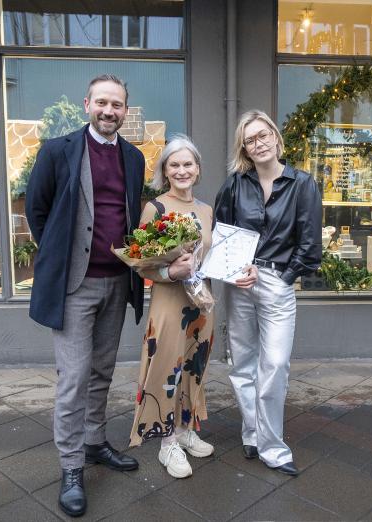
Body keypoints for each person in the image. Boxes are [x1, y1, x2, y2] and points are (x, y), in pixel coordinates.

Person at [26, 74, 144, 518]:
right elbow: (37, 210)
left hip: (118, 282)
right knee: (73, 380)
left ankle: (95, 443)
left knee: (101, 372)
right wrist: (60, 254)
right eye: (102, 103)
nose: (109, 111)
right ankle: (71, 466)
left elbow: (130, 212)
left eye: (117, 105)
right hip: (75, 285)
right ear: (87, 105)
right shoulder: (58, 150)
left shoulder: (133, 158)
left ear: (125, 112)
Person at [127, 134, 248, 478]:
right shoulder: (156, 208)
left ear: (198, 169)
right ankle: (167, 445)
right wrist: (168, 270)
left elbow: (212, 257)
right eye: (174, 164)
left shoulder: (206, 209)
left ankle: (184, 430)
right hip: (168, 303)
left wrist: (237, 267)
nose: (182, 170)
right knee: (166, 369)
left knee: (194, 369)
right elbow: (140, 262)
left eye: (188, 164)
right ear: (165, 170)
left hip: (201, 302)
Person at [214, 109, 321, 476]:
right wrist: (230, 273)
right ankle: (252, 432)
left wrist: (283, 277)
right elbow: (221, 235)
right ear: (243, 147)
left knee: (274, 365)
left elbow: (310, 245)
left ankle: (273, 447)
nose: (258, 144)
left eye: (263, 136)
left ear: (275, 137)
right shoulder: (234, 184)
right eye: (250, 139)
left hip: (276, 282)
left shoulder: (302, 184)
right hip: (239, 285)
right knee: (242, 364)